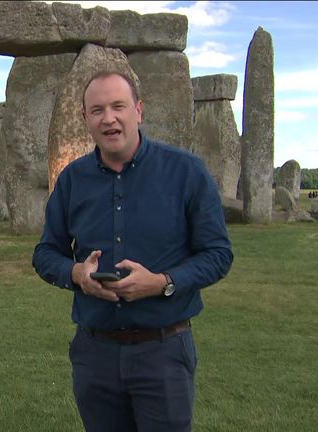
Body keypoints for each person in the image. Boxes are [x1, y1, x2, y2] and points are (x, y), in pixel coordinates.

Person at [32, 71, 233, 431]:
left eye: (118, 106)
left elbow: (218, 254)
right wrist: (77, 274)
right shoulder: (72, 181)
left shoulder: (186, 172)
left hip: (164, 351)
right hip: (95, 353)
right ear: (85, 120)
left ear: (138, 110)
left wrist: (163, 282)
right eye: (97, 110)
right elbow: (46, 253)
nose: (108, 118)